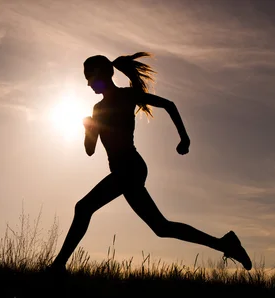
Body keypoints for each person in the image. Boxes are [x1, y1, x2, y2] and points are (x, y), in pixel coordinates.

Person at [46, 52, 252, 276]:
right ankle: (225, 244)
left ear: (102, 74)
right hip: (122, 171)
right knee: (162, 228)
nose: (87, 83)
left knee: (83, 207)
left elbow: (169, 105)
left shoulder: (127, 96)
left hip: (131, 168)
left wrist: (184, 137)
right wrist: (88, 128)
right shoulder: (96, 109)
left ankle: (57, 267)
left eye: (89, 76)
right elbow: (90, 150)